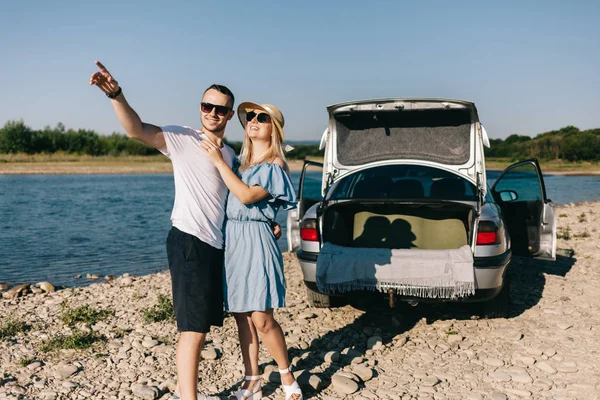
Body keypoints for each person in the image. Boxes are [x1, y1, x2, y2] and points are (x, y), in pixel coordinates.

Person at [89, 61, 279, 400]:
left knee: (202, 326)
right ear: (200, 108)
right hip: (189, 240)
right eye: (207, 106)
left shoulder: (231, 154)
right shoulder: (182, 137)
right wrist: (116, 95)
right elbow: (136, 130)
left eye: (221, 109)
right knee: (192, 330)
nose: (213, 113)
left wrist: (269, 221)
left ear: (229, 113)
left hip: (216, 246)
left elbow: (238, 199)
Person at [200, 102, 302, 400]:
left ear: (274, 129)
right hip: (233, 240)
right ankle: (252, 380)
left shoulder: (275, 166)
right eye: (250, 117)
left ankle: (286, 374)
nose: (253, 121)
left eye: (262, 118)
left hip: (257, 242)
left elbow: (245, 196)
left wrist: (218, 161)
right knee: (242, 316)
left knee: (261, 317)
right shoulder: (238, 165)